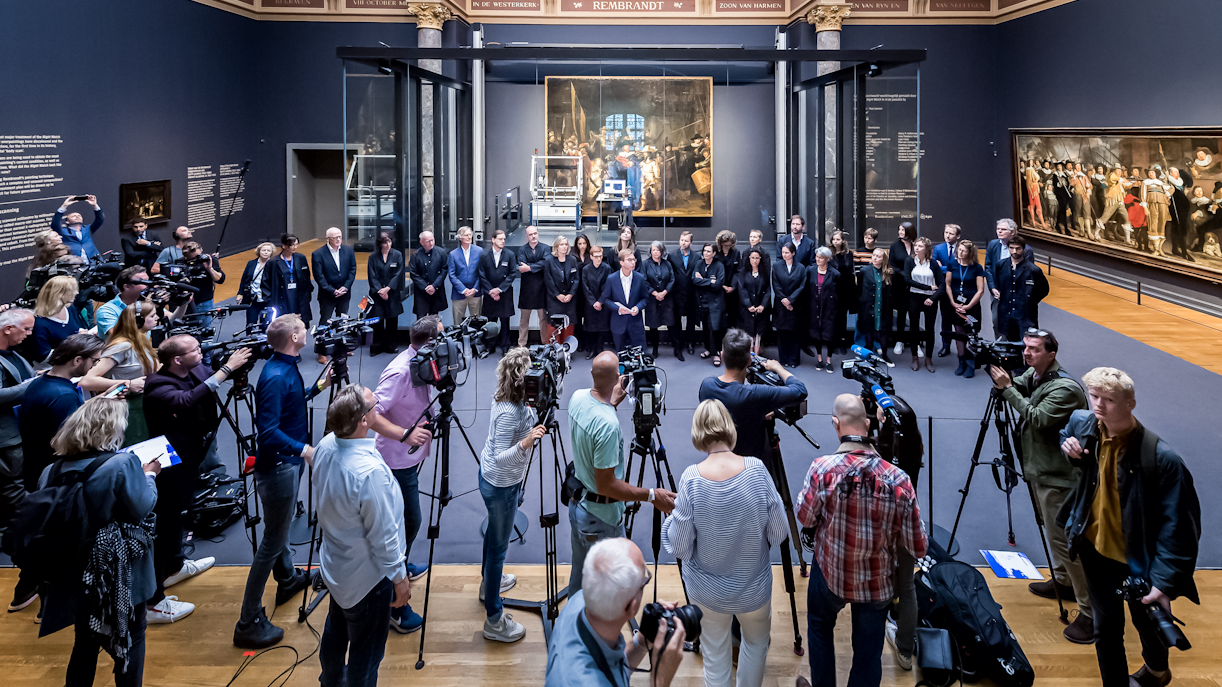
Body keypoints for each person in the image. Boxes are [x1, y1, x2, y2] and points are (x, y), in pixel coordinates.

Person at [1059, 368, 1201, 687]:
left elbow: (1179, 529)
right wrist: (1070, 451)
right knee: (1106, 631)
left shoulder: (1163, 459)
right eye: (1094, 396)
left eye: (1109, 399)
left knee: (1147, 623)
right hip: (1095, 552)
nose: (1099, 405)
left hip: (1139, 561)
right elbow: (1065, 435)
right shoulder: (1083, 422)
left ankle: (1156, 671)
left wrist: (1163, 582)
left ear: (1130, 403)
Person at [796, 394, 928, 687]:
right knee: (868, 655)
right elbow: (918, 547)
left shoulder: (821, 469)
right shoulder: (900, 480)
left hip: (831, 576)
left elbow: (805, 519)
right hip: (876, 584)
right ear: (868, 425)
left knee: (819, 628)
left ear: (835, 424)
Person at [661, 399, 788, 687]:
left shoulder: (690, 480)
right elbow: (779, 534)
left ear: (698, 432)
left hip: (707, 594)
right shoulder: (756, 470)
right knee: (756, 646)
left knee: (715, 656)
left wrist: (670, 520)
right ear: (729, 428)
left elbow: (680, 548)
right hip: (754, 588)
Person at [38, 397, 160, 687]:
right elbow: (145, 506)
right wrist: (151, 476)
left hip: (73, 570)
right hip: (120, 572)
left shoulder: (49, 471)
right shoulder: (123, 463)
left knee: (85, 639)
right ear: (110, 429)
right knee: (132, 638)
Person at [986, 329, 1093, 644]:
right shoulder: (1036, 374)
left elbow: (1037, 417)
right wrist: (1001, 373)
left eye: (1034, 350)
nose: (1027, 354)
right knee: (1052, 532)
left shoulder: (1066, 389)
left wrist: (1006, 389)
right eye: (1026, 348)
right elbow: (1019, 384)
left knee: (1066, 543)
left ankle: (1091, 612)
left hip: (1059, 477)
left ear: (1051, 353)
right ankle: (1063, 582)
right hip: (1040, 470)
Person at [234, 315, 327, 647]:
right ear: (293, 336)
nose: (308, 330)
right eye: (304, 328)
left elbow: (290, 404)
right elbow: (269, 432)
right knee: (272, 540)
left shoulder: (285, 365)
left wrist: (317, 388)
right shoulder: (274, 376)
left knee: (282, 527)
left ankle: (287, 579)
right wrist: (304, 450)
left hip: (289, 462)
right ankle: (247, 621)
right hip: (279, 466)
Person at [143, 335, 249, 624]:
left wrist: (235, 365)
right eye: (195, 350)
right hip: (169, 464)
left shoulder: (198, 370)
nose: (201, 353)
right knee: (165, 524)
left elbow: (210, 381)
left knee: (181, 516)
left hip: (193, 456)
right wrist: (226, 369)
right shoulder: (157, 385)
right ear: (177, 359)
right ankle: (152, 602)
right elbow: (187, 399)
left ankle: (175, 566)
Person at [312, 385, 411, 687]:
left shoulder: (327, 444)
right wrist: (400, 578)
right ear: (364, 421)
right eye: (373, 404)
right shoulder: (369, 474)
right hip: (368, 581)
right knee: (366, 658)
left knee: (336, 631)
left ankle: (329, 682)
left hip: (337, 567)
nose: (378, 404)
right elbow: (383, 536)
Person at [567, 352, 675, 594]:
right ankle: (603, 630)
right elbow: (606, 485)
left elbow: (595, 426)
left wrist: (611, 405)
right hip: (601, 518)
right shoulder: (608, 425)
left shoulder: (577, 398)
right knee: (607, 591)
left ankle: (573, 627)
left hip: (579, 506)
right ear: (618, 377)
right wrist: (651, 495)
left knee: (581, 576)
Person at [367, 316, 441, 635]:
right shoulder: (399, 371)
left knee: (405, 520)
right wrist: (405, 435)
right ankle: (394, 601)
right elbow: (369, 415)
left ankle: (401, 563)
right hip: (395, 459)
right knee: (408, 521)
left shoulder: (425, 361)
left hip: (410, 458)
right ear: (429, 342)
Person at [545, 538, 686, 687]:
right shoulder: (584, 682)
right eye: (645, 580)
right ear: (632, 607)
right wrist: (660, 682)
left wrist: (641, 642)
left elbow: (611, 666)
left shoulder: (578, 601)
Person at [477, 348, 546, 642]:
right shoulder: (508, 411)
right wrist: (527, 442)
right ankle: (494, 618)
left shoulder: (512, 399)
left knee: (494, 536)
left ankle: (487, 586)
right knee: (498, 550)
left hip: (503, 483)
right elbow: (500, 457)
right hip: (500, 484)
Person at [698, 328, 807, 463]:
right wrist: (779, 368)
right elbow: (800, 390)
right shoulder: (756, 394)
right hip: (750, 462)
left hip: (718, 458)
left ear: (722, 356)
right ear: (750, 360)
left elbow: (733, 409)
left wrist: (757, 412)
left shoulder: (707, 385)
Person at [18, 334, 106, 491]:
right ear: (77, 360)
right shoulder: (63, 395)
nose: (95, 365)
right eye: (94, 361)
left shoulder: (42, 382)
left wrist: (104, 397)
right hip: (56, 478)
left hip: (37, 467)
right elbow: (72, 443)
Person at [81, 300, 160, 446]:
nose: (157, 318)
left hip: (140, 407)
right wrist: (128, 384)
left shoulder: (141, 340)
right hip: (123, 410)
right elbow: (86, 381)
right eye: (152, 316)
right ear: (138, 320)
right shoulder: (122, 345)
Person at [0, 309, 35, 551]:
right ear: (8, 329)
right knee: (13, 488)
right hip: (5, 437)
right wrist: (34, 385)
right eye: (26, 329)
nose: (30, 334)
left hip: (19, 430)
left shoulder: (13, 354)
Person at [945, 240, 987, 378]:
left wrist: (969, 305)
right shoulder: (952, 264)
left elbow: (980, 290)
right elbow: (948, 285)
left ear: (970, 252)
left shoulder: (977, 268)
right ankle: (961, 361)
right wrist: (952, 302)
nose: (960, 253)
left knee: (970, 334)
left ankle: (970, 364)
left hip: (971, 306)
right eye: (959, 250)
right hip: (955, 305)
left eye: (963, 250)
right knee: (958, 333)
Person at [995, 236, 1049, 342]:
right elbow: (999, 283)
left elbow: (1044, 289)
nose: (1014, 251)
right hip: (1006, 314)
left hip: (1025, 315)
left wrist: (1030, 301)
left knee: (1028, 344)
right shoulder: (1000, 265)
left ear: (1023, 249)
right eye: (1012, 248)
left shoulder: (1034, 270)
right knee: (1011, 345)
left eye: (1018, 248)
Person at [903, 237, 942, 373]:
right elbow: (907, 280)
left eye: (920, 246)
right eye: (916, 245)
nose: (917, 248)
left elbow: (941, 284)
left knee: (930, 329)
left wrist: (932, 297)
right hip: (914, 297)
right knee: (914, 328)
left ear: (927, 248)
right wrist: (927, 287)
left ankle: (928, 359)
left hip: (930, 299)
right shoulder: (909, 261)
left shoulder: (933, 264)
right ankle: (914, 358)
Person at [28, 276, 87, 365]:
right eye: (72, 290)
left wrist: (82, 332)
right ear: (59, 293)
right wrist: (75, 343)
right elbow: (43, 358)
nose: (77, 292)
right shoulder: (39, 324)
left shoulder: (69, 308)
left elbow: (75, 329)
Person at [479, 229, 519, 353]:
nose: (503, 241)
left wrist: (499, 290)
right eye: (500, 239)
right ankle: (490, 346)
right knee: (491, 321)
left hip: (505, 294)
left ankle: (505, 347)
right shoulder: (484, 256)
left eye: (504, 239)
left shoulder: (510, 255)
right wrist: (491, 291)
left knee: (505, 320)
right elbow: (482, 275)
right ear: (493, 240)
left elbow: (512, 274)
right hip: (490, 294)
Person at [311, 227, 358, 332]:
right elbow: (319, 275)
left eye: (340, 237)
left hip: (344, 293)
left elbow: (352, 270)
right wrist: (331, 290)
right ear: (328, 239)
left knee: (342, 321)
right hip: (327, 295)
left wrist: (345, 287)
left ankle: (341, 346)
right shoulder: (318, 254)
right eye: (334, 238)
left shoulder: (348, 251)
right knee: (325, 321)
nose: (338, 240)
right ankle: (322, 346)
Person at [263, 234, 314, 329]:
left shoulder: (301, 258)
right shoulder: (273, 262)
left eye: (296, 244)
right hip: (282, 298)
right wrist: (268, 300)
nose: (295, 247)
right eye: (293, 245)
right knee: (284, 327)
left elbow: (306, 276)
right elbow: (266, 281)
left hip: (298, 296)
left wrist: (308, 293)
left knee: (300, 327)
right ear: (284, 246)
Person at [601, 249, 648, 352]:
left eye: (634, 259)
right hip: (618, 323)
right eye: (629, 260)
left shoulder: (640, 278)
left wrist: (637, 307)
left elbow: (645, 298)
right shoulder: (611, 279)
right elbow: (606, 299)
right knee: (621, 356)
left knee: (639, 355)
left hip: (635, 323)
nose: (633, 262)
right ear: (621, 262)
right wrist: (618, 309)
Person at [985, 219, 1026, 336]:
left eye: (1003, 229)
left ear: (1012, 232)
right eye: (998, 229)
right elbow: (988, 267)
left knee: (1015, 322)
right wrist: (992, 288)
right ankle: (1000, 349)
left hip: (1016, 294)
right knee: (996, 321)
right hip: (997, 292)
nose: (999, 231)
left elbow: (1028, 273)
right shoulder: (993, 245)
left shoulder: (1025, 250)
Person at [367, 232, 405, 355]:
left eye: (389, 241)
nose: (387, 244)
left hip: (392, 293)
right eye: (384, 242)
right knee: (377, 321)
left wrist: (388, 288)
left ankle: (391, 346)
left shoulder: (397, 255)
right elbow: (372, 276)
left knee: (392, 321)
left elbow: (398, 274)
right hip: (377, 294)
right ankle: (377, 346)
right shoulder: (373, 257)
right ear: (380, 243)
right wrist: (380, 290)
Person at [773, 242, 806, 368]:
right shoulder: (776, 266)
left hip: (795, 305)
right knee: (782, 333)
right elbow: (776, 285)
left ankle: (793, 359)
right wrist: (784, 300)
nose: (784, 255)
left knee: (794, 333)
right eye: (783, 252)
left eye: (787, 252)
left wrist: (791, 300)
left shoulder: (801, 268)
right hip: (781, 305)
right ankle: (783, 359)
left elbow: (802, 285)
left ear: (793, 253)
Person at [807, 246, 841, 372]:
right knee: (817, 333)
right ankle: (820, 359)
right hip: (814, 306)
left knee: (829, 334)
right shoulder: (810, 270)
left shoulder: (835, 273)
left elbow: (839, 293)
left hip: (829, 308)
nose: (817, 259)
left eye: (820, 258)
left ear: (827, 259)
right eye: (817, 257)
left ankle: (829, 360)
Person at [693, 243, 727, 366]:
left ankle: (716, 353)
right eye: (704, 251)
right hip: (702, 302)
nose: (705, 253)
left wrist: (703, 280)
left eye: (708, 251)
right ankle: (708, 349)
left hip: (715, 303)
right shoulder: (699, 264)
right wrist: (709, 281)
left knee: (714, 328)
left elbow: (718, 284)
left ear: (714, 253)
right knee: (706, 328)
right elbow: (694, 280)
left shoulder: (719, 266)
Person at [641, 241, 676, 358]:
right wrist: (656, 293)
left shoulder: (667, 264)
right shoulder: (645, 264)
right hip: (652, 299)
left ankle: (677, 349)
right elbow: (644, 281)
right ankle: (655, 349)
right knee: (653, 325)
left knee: (671, 324)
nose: (655, 252)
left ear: (662, 251)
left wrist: (664, 292)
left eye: (657, 250)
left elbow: (672, 279)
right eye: (653, 250)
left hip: (667, 298)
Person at [856, 248, 893, 356]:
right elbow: (859, 289)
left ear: (883, 259)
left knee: (884, 332)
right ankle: (869, 355)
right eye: (874, 255)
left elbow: (891, 292)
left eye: (878, 256)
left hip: (883, 307)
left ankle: (885, 355)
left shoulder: (889, 273)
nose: (875, 258)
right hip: (868, 306)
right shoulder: (864, 271)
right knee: (869, 331)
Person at [932, 224, 962, 358]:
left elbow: (961, 267)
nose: (947, 235)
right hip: (942, 287)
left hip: (958, 288)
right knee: (945, 317)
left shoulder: (962, 249)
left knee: (959, 318)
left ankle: (963, 347)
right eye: (946, 232)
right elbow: (934, 267)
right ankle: (946, 345)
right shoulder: (938, 249)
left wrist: (944, 268)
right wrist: (951, 268)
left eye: (951, 233)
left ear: (958, 236)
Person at [517, 225, 549, 347]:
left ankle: (545, 344)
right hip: (527, 290)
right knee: (524, 321)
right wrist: (537, 266)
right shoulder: (521, 250)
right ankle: (521, 345)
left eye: (535, 233)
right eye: (530, 234)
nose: (533, 236)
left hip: (542, 289)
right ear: (527, 236)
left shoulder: (545, 248)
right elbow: (521, 265)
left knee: (543, 320)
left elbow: (546, 263)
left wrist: (529, 267)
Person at [543, 236, 580, 343]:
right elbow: (548, 281)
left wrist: (571, 294)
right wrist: (557, 294)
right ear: (556, 247)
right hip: (554, 300)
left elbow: (576, 279)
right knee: (553, 327)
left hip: (569, 300)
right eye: (561, 244)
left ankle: (567, 350)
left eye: (566, 244)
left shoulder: (572, 260)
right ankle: (554, 352)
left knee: (569, 325)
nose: (564, 247)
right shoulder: (549, 260)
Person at [668, 231, 699, 356]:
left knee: (691, 320)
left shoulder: (697, 257)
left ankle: (690, 343)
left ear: (691, 242)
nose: (683, 242)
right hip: (677, 293)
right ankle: (678, 344)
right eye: (681, 240)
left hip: (691, 293)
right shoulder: (672, 256)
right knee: (677, 320)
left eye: (686, 240)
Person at [96, 266, 150, 338]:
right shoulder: (107, 310)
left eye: (149, 281)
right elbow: (118, 337)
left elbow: (169, 319)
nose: (148, 286)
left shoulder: (145, 302)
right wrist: (146, 311)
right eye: (143, 282)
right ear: (126, 286)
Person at [407, 230, 448, 321]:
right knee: (421, 319)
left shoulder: (441, 252)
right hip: (422, 292)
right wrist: (425, 287)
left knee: (435, 319)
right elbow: (413, 273)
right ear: (421, 242)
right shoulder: (415, 255)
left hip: (436, 290)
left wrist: (434, 286)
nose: (431, 243)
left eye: (432, 240)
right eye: (428, 241)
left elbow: (444, 270)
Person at [581, 245, 613, 360]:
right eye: (596, 256)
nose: (599, 259)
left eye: (600, 256)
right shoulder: (585, 269)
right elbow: (585, 287)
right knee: (591, 328)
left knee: (602, 328)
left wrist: (600, 301)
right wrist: (593, 302)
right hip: (590, 304)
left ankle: (600, 349)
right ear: (591, 257)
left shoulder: (607, 268)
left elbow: (607, 287)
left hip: (602, 303)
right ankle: (592, 349)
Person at [736, 247, 769, 355]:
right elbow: (742, 289)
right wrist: (749, 305)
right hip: (747, 309)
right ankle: (750, 358)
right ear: (748, 259)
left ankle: (757, 357)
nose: (754, 260)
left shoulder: (764, 273)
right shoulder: (742, 272)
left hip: (760, 308)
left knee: (759, 333)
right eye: (752, 258)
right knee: (748, 333)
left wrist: (763, 305)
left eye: (757, 258)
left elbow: (768, 290)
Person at [180, 240, 225, 318]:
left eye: (198, 256)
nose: (196, 260)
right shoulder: (180, 263)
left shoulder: (208, 260)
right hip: (186, 302)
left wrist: (209, 269)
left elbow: (220, 280)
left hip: (204, 301)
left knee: (205, 328)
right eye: (192, 258)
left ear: (201, 250)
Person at [51, 195, 105, 259]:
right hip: (75, 264)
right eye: (73, 216)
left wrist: (95, 205)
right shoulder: (63, 232)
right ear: (67, 222)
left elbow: (100, 219)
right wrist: (64, 206)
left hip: (94, 262)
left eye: (79, 215)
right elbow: (55, 223)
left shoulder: (88, 229)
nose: (77, 216)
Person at [448, 225, 484, 321]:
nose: (469, 237)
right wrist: (464, 290)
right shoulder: (453, 254)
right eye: (466, 235)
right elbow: (452, 275)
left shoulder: (479, 251)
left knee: (476, 322)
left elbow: (482, 272)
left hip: (475, 292)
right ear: (460, 238)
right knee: (458, 323)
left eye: (470, 235)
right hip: (459, 293)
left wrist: (474, 288)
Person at [888, 223, 914, 357]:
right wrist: (905, 275)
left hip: (916, 285)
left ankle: (916, 343)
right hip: (899, 284)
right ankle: (900, 340)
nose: (900, 232)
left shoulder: (917, 245)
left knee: (915, 314)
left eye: (902, 230)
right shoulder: (895, 246)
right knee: (901, 313)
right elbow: (891, 265)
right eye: (899, 229)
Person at [236, 242, 276, 328]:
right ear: (259, 251)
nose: (266, 252)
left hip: (267, 299)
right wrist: (240, 294)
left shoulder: (274, 265)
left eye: (268, 250)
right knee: (250, 324)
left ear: (271, 252)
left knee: (266, 324)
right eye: (263, 250)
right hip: (253, 298)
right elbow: (244, 279)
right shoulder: (251, 263)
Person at [828, 230, 856, 353]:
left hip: (845, 290)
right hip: (832, 289)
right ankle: (833, 342)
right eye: (834, 239)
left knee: (843, 316)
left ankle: (842, 342)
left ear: (843, 240)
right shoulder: (829, 254)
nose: (835, 242)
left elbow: (851, 272)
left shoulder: (848, 254)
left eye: (838, 239)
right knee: (833, 316)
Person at [715, 230, 740, 329]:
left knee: (732, 315)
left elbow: (738, 271)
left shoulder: (736, 253)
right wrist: (721, 285)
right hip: (718, 288)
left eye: (729, 245)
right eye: (724, 245)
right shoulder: (716, 253)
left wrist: (733, 286)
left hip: (732, 289)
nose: (727, 247)